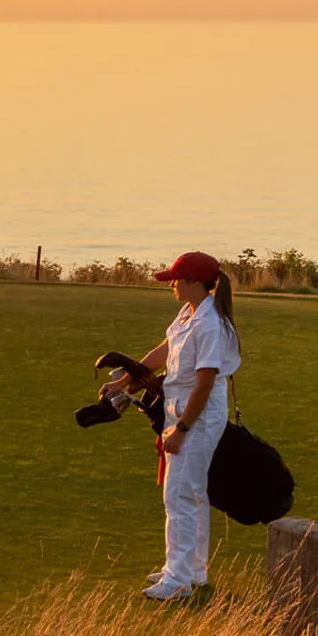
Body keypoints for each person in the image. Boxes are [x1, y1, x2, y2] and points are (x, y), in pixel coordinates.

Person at [100, 251, 242, 601]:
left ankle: (177, 581)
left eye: (177, 280)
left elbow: (205, 383)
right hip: (181, 410)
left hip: (196, 417)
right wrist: (125, 381)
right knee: (193, 493)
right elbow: (166, 350)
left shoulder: (209, 324)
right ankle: (192, 570)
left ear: (195, 282)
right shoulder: (189, 312)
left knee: (178, 496)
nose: (172, 285)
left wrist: (182, 429)